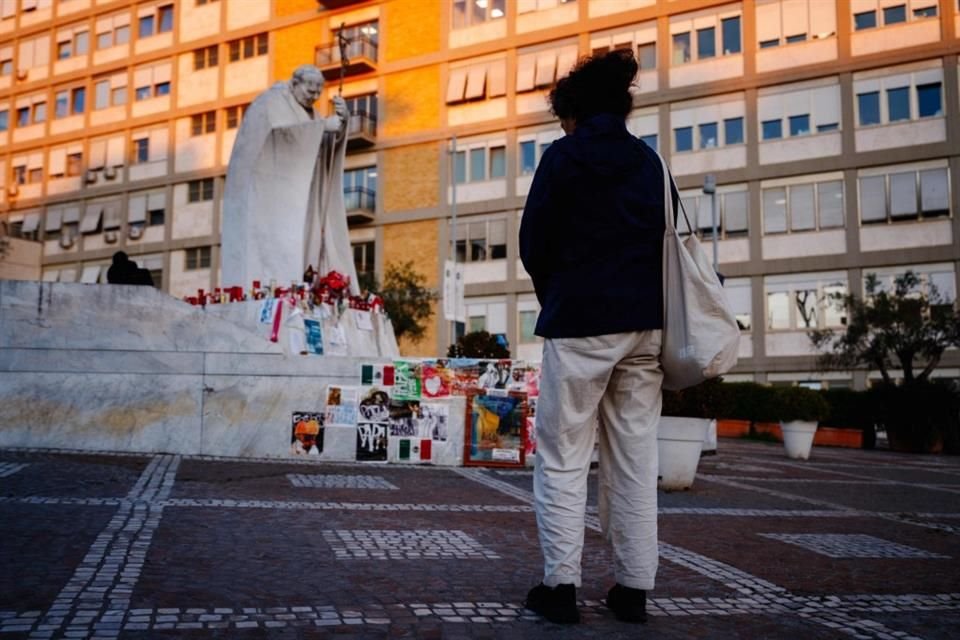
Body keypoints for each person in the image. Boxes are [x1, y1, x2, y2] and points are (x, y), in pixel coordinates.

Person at [519, 49, 677, 625]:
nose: (561, 126)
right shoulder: (650, 162)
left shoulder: (561, 159)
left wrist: (558, 295)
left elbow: (533, 244)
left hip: (580, 322)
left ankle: (560, 587)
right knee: (635, 456)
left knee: (563, 456)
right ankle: (633, 587)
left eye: (563, 116)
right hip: (647, 327)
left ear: (576, 113)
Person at [221, 64, 358, 294]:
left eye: (318, 93)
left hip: (302, 192)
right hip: (272, 197)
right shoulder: (271, 102)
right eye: (309, 91)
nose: (313, 97)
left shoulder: (310, 112)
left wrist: (342, 124)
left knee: (305, 244)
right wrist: (323, 126)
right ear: (295, 84)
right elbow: (277, 138)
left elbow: (319, 148)